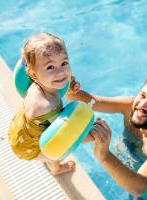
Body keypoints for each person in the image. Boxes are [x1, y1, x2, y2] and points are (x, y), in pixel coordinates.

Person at [67, 68, 147, 197]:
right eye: (142, 95)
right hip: (125, 159)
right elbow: (92, 102)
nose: (142, 105)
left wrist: (103, 154)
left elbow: (139, 187)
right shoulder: (129, 106)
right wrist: (70, 90)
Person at [8, 32, 90, 175]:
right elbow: (64, 136)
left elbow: (62, 82)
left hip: (18, 130)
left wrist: (70, 84)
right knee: (53, 153)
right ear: (33, 74)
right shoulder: (46, 106)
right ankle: (56, 169)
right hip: (29, 147)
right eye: (50, 67)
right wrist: (91, 132)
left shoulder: (40, 84)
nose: (60, 72)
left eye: (64, 63)